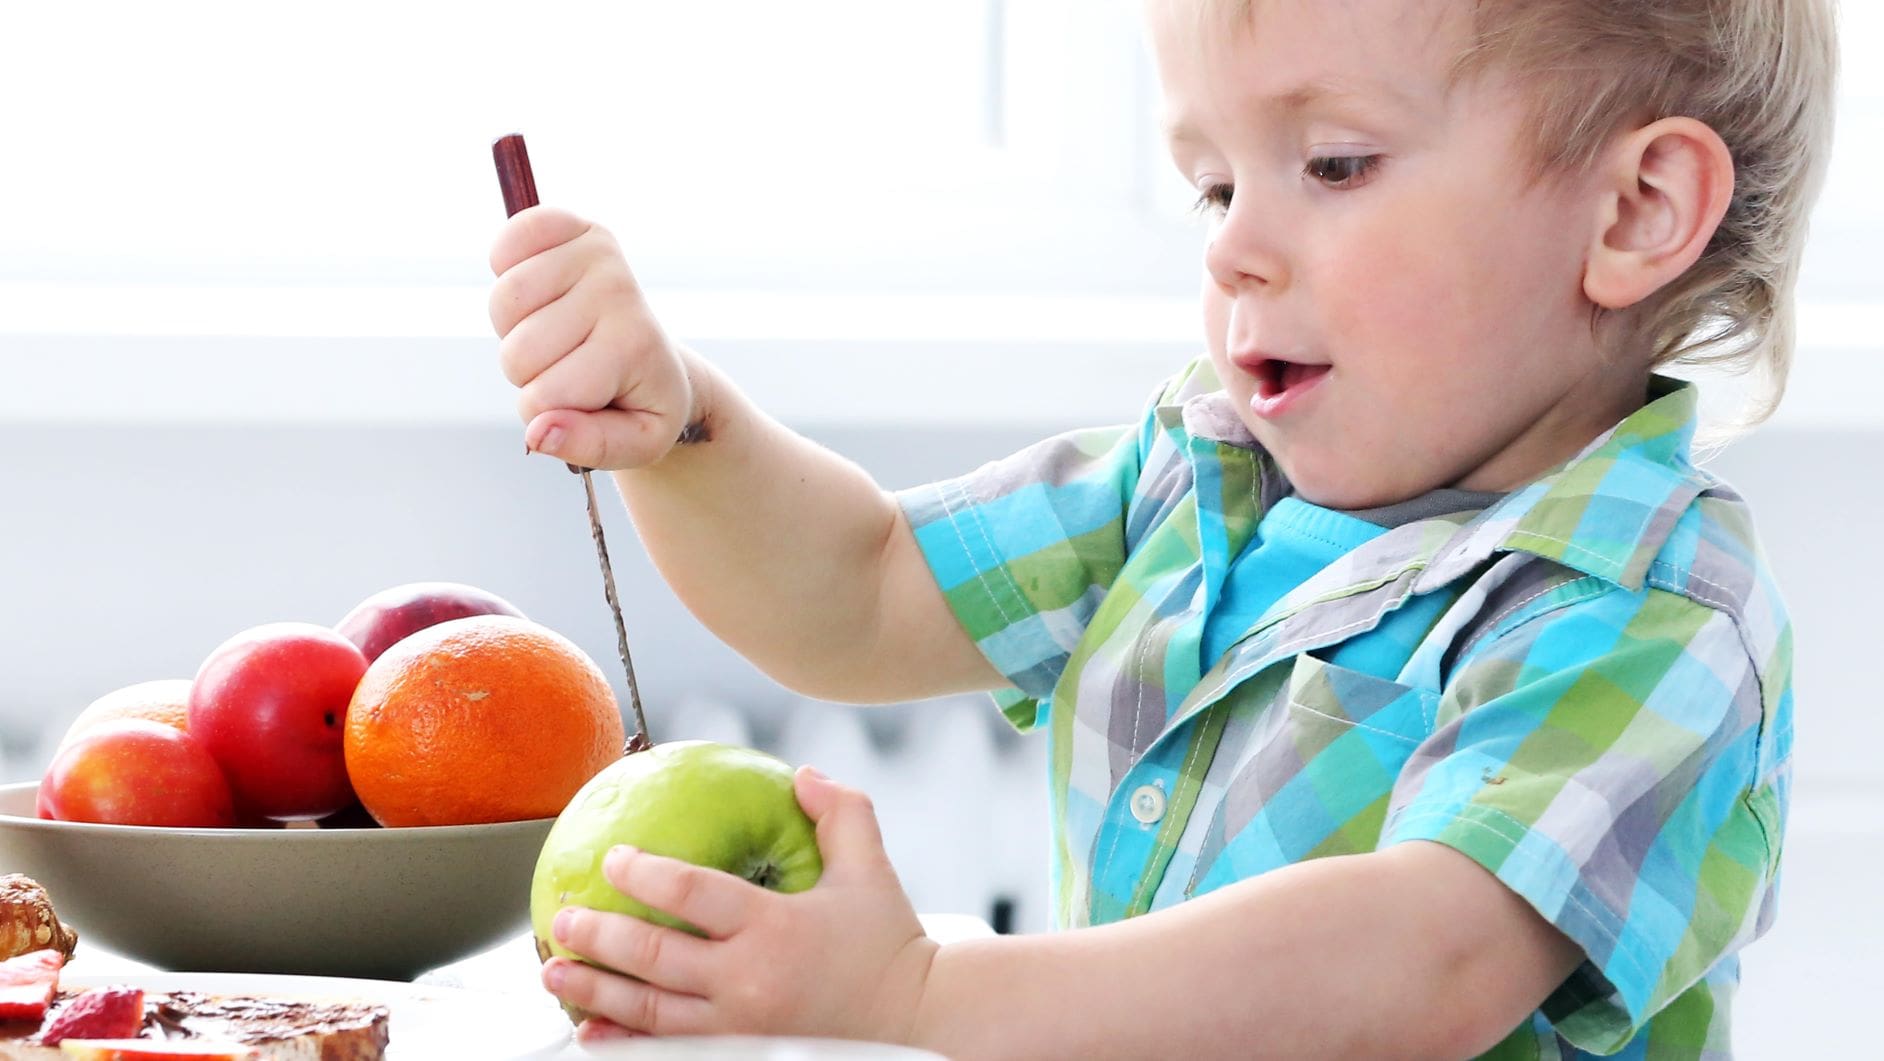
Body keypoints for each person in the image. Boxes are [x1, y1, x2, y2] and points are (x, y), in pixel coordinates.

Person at [487, 0, 1836, 1055]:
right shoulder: (1195, 476)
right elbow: (857, 587)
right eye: (1212, 185)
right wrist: (679, 430)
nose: (1233, 246)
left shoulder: (1650, 614)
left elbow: (1424, 957)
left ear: (1635, 210)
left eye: (1332, 163)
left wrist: (921, 992)